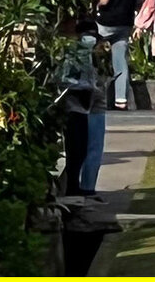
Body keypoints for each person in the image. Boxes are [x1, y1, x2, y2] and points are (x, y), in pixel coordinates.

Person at [53, 14, 106, 200]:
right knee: (78, 149)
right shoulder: (78, 51)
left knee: (82, 149)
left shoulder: (85, 51)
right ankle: (77, 187)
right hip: (76, 103)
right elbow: (66, 79)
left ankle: (81, 187)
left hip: (84, 102)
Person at [92, 0, 145, 110]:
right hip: (125, 24)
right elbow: (139, 1)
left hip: (106, 24)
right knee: (120, 61)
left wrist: (95, 4)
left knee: (85, 50)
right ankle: (121, 100)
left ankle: (89, 93)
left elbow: (105, 0)